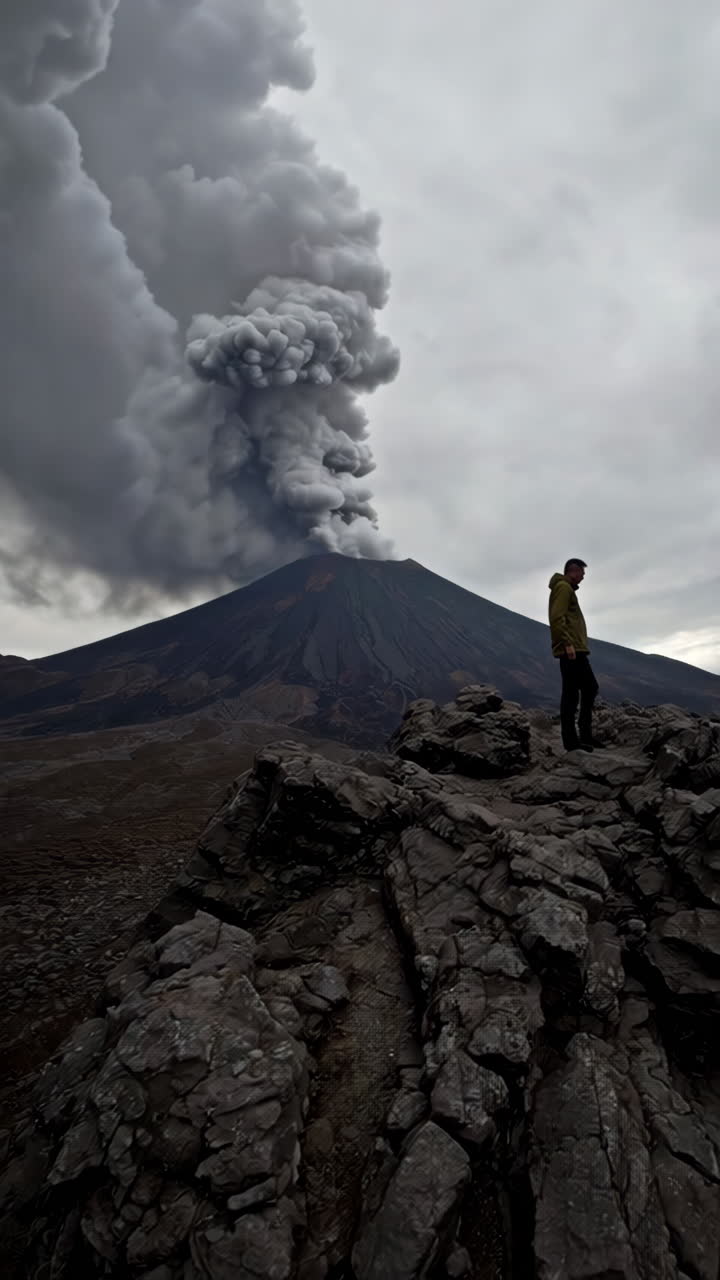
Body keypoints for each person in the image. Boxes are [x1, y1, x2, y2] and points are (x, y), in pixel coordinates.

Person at [548, 558, 600, 752]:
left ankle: (583, 736)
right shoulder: (564, 588)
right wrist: (567, 643)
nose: (583, 577)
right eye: (582, 573)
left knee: (586, 689)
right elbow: (556, 617)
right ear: (573, 571)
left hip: (575, 649)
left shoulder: (565, 588)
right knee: (574, 693)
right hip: (571, 650)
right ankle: (572, 742)